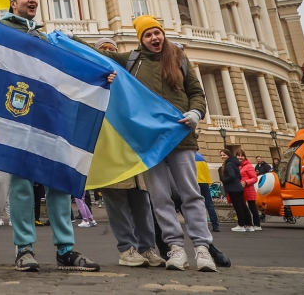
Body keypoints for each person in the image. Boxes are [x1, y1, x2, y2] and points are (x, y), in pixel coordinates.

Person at [0, 0, 100, 272]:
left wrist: (99, 76)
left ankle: (66, 249)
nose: (33, 0)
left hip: (49, 114)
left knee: (58, 180)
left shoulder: (45, 37)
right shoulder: (0, 31)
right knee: (22, 183)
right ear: (13, 3)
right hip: (17, 113)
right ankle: (23, 249)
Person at [90, 15, 217, 272]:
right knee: (160, 198)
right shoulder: (131, 61)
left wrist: (195, 113)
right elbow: (94, 54)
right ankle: (176, 248)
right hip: (149, 141)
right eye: (147, 35)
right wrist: (62, 37)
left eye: (156, 33)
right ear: (141, 39)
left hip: (181, 136)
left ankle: (202, 248)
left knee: (190, 194)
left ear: (162, 34)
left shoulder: (179, 58)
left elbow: (196, 93)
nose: (154, 38)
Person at [91, 38, 163, 268]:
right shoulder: (93, 80)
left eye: (112, 51)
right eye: (104, 51)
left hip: (133, 150)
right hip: (109, 149)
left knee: (141, 200)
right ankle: (127, 249)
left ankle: (148, 248)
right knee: (116, 200)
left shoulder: (130, 79)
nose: (109, 55)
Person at [219, 149, 251, 232]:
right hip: (238, 186)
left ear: (228, 155)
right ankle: (249, 224)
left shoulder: (229, 164)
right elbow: (239, 176)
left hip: (233, 188)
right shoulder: (234, 163)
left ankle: (241, 225)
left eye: (224, 155)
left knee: (238, 207)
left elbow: (232, 175)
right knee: (243, 206)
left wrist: (224, 180)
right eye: (221, 155)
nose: (222, 157)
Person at [236, 149, 261, 231]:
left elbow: (254, 178)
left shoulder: (248, 166)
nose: (240, 157)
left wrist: (246, 182)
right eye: (238, 156)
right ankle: (248, 223)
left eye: (242, 156)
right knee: (244, 207)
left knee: (252, 207)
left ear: (244, 157)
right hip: (241, 189)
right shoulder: (238, 166)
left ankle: (257, 224)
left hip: (248, 189)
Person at [196, 152, 220, 233]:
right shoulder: (202, 158)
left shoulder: (189, 157)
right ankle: (215, 225)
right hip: (204, 182)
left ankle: (201, 226)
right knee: (209, 204)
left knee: (197, 205)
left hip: (195, 183)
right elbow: (207, 172)